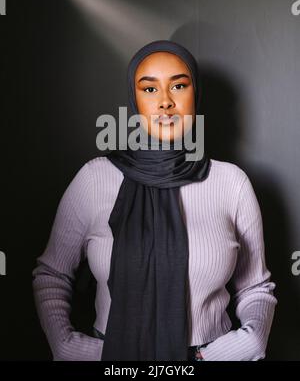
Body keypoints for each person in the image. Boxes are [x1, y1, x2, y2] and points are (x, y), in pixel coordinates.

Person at [32, 40, 277, 361]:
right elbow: (51, 275)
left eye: (178, 85)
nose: (164, 102)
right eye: (149, 89)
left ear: (195, 96)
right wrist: (72, 348)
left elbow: (255, 288)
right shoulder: (94, 179)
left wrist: (235, 350)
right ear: (134, 101)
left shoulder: (231, 182)